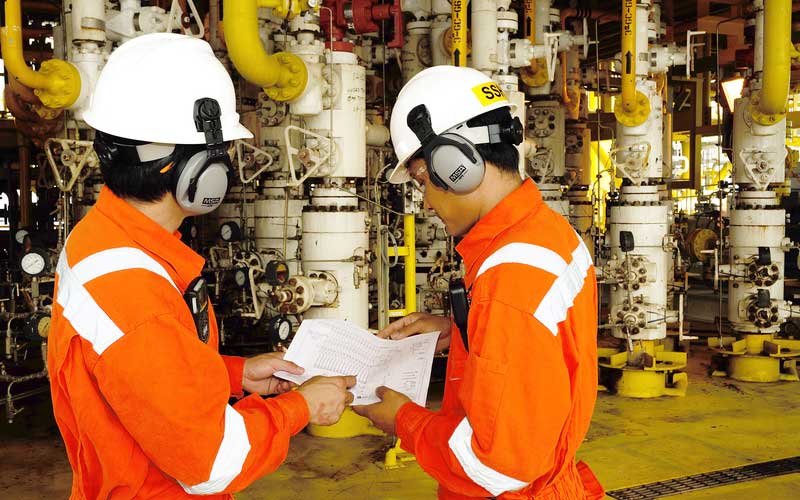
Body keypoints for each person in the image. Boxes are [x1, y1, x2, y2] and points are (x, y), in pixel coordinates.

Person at [47, 33, 355, 499]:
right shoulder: (131, 286)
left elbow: (143, 373)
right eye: (223, 151)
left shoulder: (104, 239)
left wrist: (235, 375)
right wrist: (302, 407)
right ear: (200, 167)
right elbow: (210, 462)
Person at [353, 66, 604, 499]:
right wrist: (465, 334)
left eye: (421, 180)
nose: (427, 202)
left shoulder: (509, 280)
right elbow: (545, 348)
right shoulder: (546, 233)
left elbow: (496, 467)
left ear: (454, 165)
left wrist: (401, 420)